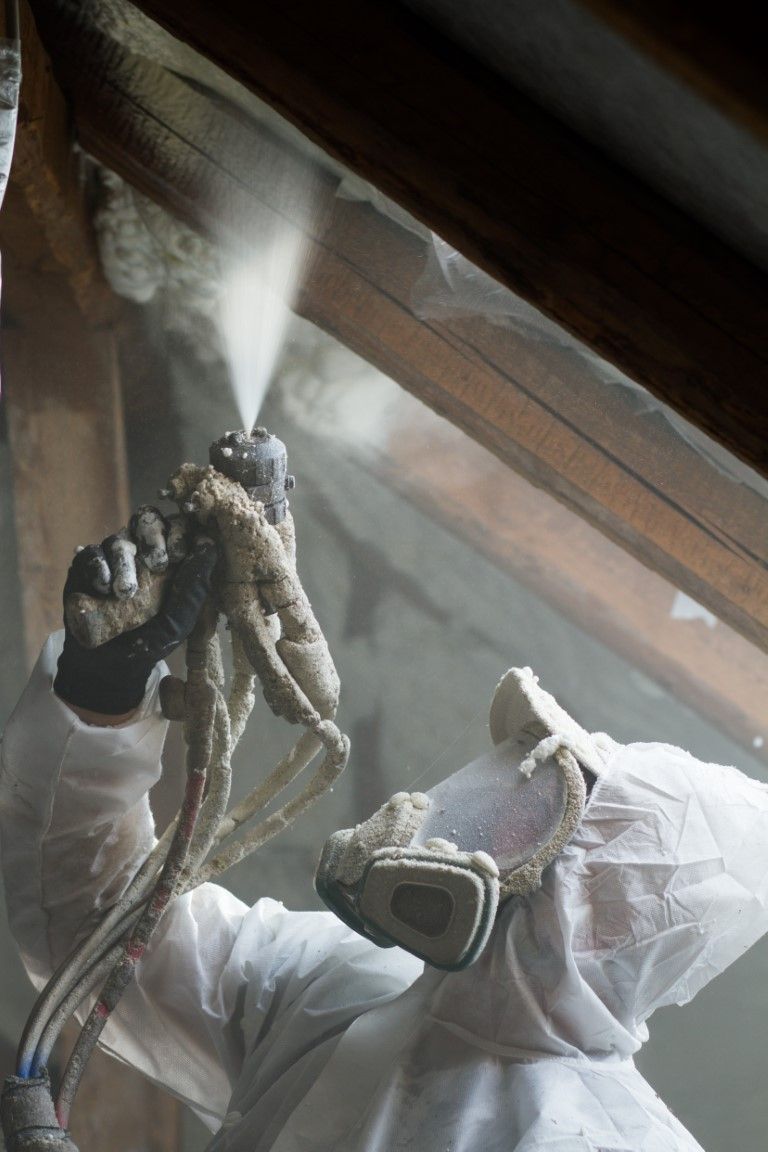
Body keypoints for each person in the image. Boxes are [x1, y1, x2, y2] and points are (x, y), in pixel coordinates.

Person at [2, 523, 768, 1152]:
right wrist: (98, 703)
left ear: (602, 917)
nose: (489, 819)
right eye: (518, 787)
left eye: (536, 817)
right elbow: (102, 930)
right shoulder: (351, 986)